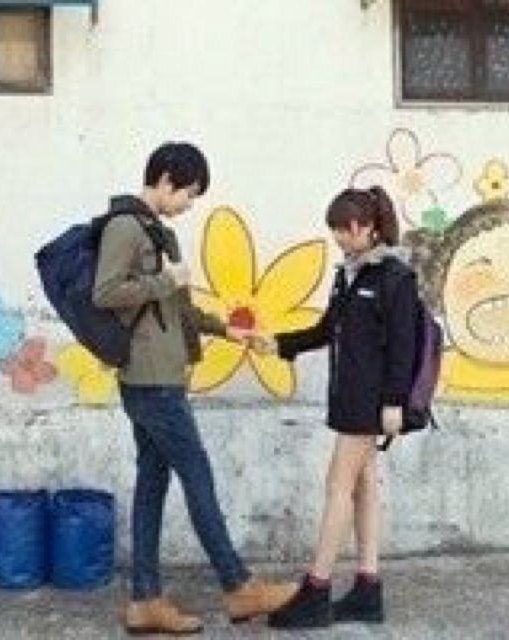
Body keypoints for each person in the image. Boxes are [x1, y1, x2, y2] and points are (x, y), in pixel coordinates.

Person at [93, 142, 295, 635]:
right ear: (165, 180)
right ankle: (238, 585)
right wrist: (164, 281)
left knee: (153, 483)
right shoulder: (124, 227)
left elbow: (179, 312)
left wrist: (229, 330)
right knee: (197, 476)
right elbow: (106, 293)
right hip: (150, 381)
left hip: (162, 378)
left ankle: (145, 601)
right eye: (187, 193)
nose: (188, 204)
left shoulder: (157, 232)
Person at [254, 185, 417, 629]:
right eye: (336, 231)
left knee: (337, 485)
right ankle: (368, 588)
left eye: (345, 230)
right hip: (348, 396)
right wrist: (280, 344)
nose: (339, 238)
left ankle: (316, 588)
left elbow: (403, 346)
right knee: (362, 486)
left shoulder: (395, 277)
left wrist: (394, 402)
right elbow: (327, 329)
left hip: (371, 402)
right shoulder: (348, 274)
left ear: (368, 227)